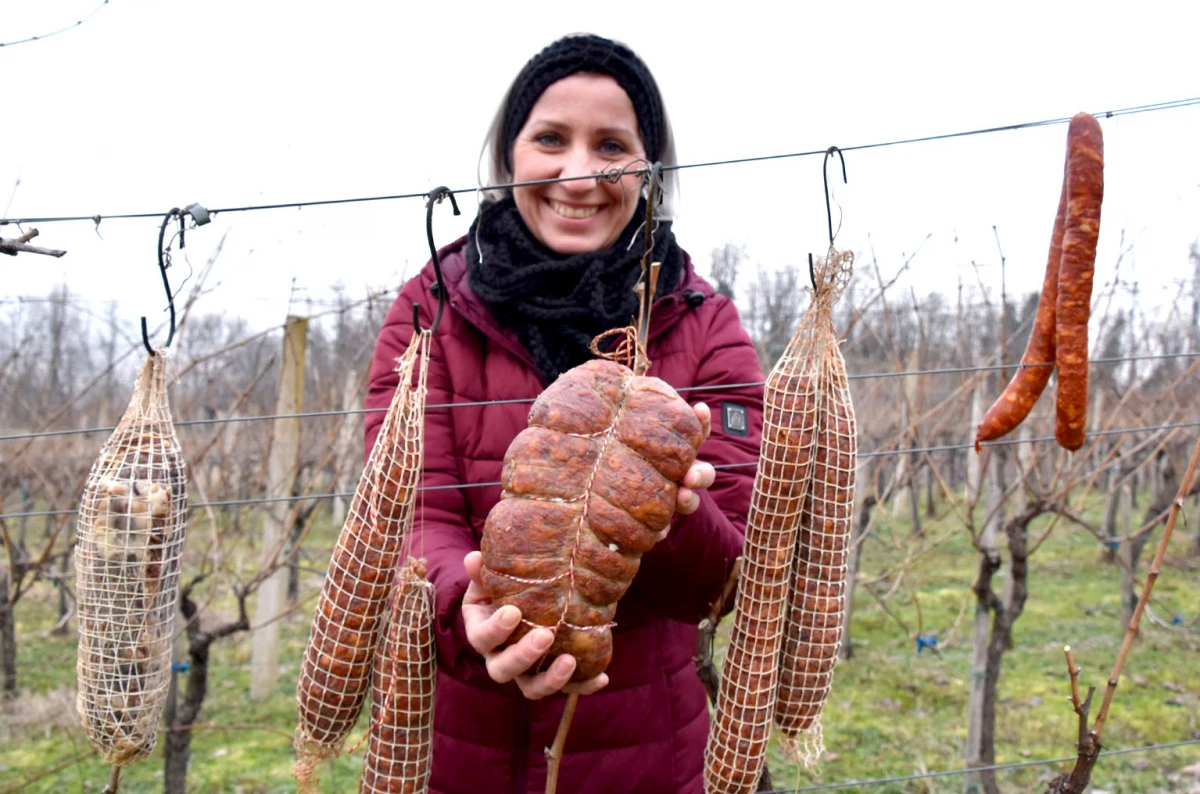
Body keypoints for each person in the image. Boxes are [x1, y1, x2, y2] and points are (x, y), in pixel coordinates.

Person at [366, 33, 764, 794]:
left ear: (648, 170)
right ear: (509, 155)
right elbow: (409, 512)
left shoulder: (703, 324)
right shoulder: (431, 311)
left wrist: (665, 507)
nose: (578, 174)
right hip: (463, 748)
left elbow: (729, 578)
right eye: (550, 139)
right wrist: (464, 607)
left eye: (611, 144)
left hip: (646, 753)